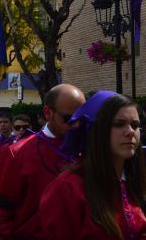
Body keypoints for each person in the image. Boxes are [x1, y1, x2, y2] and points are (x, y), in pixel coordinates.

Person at [0, 83, 86, 240]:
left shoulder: (88, 150)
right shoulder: (18, 153)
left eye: (81, 119)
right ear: (48, 113)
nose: (76, 125)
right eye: (68, 118)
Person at [39, 91, 146, 239]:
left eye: (135, 125)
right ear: (95, 130)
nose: (130, 132)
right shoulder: (68, 188)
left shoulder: (136, 180)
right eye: (118, 124)